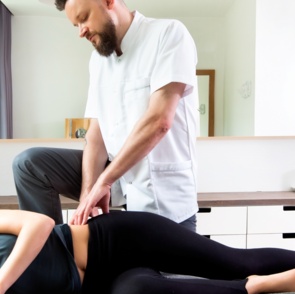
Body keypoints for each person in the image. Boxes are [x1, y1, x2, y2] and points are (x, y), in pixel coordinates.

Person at [12, 0, 199, 231]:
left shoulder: (168, 34)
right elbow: (96, 135)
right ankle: (50, 251)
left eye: (83, 18)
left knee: (143, 269)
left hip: (165, 200)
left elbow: (159, 121)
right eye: (76, 25)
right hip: (118, 182)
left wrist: (105, 180)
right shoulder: (98, 61)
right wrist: (87, 195)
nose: (81, 32)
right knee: (28, 164)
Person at [2, 210, 295, 294]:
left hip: (113, 239)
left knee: (234, 261)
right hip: (101, 286)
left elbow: (40, 223)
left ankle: (248, 274)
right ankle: (256, 285)